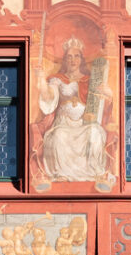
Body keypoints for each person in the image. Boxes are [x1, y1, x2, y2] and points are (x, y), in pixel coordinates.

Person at [35, 37, 112, 183]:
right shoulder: (57, 79)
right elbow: (48, 96)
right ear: (65, 60)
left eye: (76, 56)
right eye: (69, 56)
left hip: (84, 123)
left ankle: (93, 173)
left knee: (94, 133)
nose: (73, 60)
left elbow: (103, 103)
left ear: (81, 59)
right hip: (64, 123)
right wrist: (41, 80)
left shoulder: (90, 79)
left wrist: (109, 93)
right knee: (58, 136)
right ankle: (61, 174)